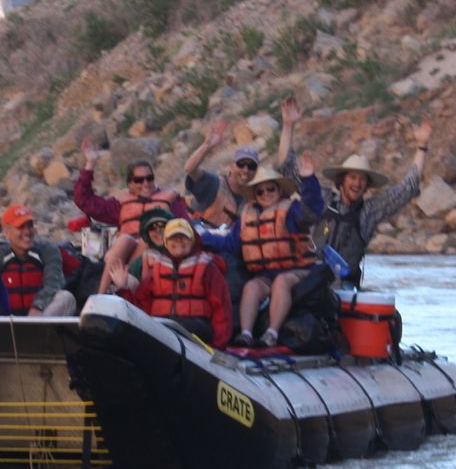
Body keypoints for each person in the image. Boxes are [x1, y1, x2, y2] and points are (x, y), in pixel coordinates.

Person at [283, 119, 434, 287]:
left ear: (367, 185)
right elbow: (289, 172)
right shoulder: (321, 197)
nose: (357, 183)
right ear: (342, 180)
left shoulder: (369, 211)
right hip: (311, 279)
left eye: (362, 179)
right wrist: (288, 125)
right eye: (353, 177)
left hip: (345, 287)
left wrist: (422, 146)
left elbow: (408, 188)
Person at [198, 156, 325, 346]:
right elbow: (230, 244)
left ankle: (271, 334)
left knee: (281, 282)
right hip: (266, 273)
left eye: (270, 189)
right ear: (255, 195)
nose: (266, 193)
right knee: (251, 287)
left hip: (298, 270)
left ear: (280, 190)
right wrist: (198, 237)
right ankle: (246, 334)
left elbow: (312, 209)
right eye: (260, 191)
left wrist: (309, 180)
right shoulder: (247, 216)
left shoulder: (292, 212)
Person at [73, 138, 192, 293]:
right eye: (139, 180)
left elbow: (186, 226)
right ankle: (101, 294)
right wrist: (90, 164)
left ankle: (123, 284)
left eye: (149, 178)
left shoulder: (169, 200)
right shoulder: (120, 204)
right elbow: (84, 200)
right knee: (124, 240)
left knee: (145, 240)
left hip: (156, 249)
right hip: (124, 253)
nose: (145, 183)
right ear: (130, 183)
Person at [179, 97, 302, 228]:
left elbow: (284, 164)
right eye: (241, 164)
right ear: (231, 166)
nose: (245, 170)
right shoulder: (212, 184)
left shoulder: (258, 194)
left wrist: (288, 126)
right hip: (202, 239)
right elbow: (190, 169)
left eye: (251, 166)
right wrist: (207, 146)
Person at [125, 218, 232, 345]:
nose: (178, 240)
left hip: (196, 328)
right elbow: (141, 305)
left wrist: (219, 344)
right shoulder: (156, 270)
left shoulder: (208, 268)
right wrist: (123, 287)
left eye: (183, 237)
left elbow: (222, 308)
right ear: (166, 242)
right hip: (162, 325)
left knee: (171, 328)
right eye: (173, 237)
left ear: (192, 240)